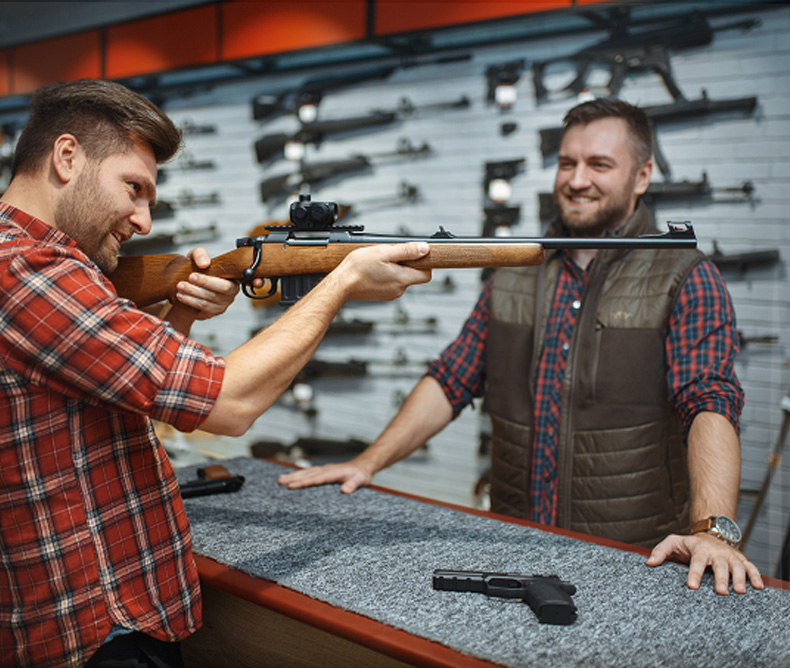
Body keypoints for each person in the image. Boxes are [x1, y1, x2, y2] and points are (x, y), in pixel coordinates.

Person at [0, 79, 431, 668]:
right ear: (67, 156)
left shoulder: (36, 263)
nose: (144, 220)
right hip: (95, 633)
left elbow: (109, 398)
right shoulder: (27, 270)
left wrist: (178, 315)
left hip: (103, 619)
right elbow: (230, 404)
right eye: (134, 188)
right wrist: (342, 283)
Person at [279, 97, 765, 597]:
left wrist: (712, 530)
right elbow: (452, 378)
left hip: (636, 561)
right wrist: (368, 462)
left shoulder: (685, 276)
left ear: (642, 176)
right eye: (566, 163)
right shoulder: (514, 270)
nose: (577, 180)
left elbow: (709, 401)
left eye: (600, 164)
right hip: (515, 548)